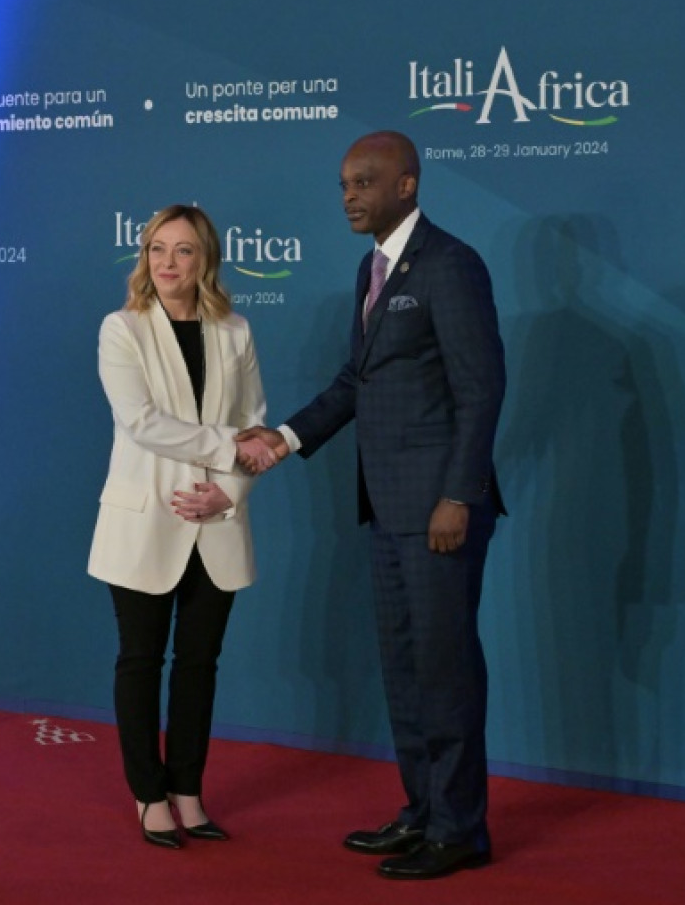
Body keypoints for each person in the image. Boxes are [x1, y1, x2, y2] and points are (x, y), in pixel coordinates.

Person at [238, 131, 506, 880]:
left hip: (439, 512)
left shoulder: (452, 266)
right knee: (405, 667)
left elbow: (481, 390)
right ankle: (422, 812)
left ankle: (460, 830)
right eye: (344, 185)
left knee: (446, 670)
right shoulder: (373, 267)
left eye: (364, 182)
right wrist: (285, 437)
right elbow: (358, 382)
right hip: (385, 508)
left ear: (408, 185)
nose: (350, 196)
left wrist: (459, 494)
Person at [89, 204, 276, 850]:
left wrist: (226, 491)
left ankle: (188, 791)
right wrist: (230, 449)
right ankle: (148, 795)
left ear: (207, 260)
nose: (168, 263)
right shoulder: (123, 329)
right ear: (144, 258)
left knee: (200, 665)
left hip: (217, 521)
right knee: (140, 661)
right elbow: (140, 421)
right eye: (157, 250)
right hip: (145, 522)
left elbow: (257, 424)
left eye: (184, 251)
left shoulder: (236, 330)